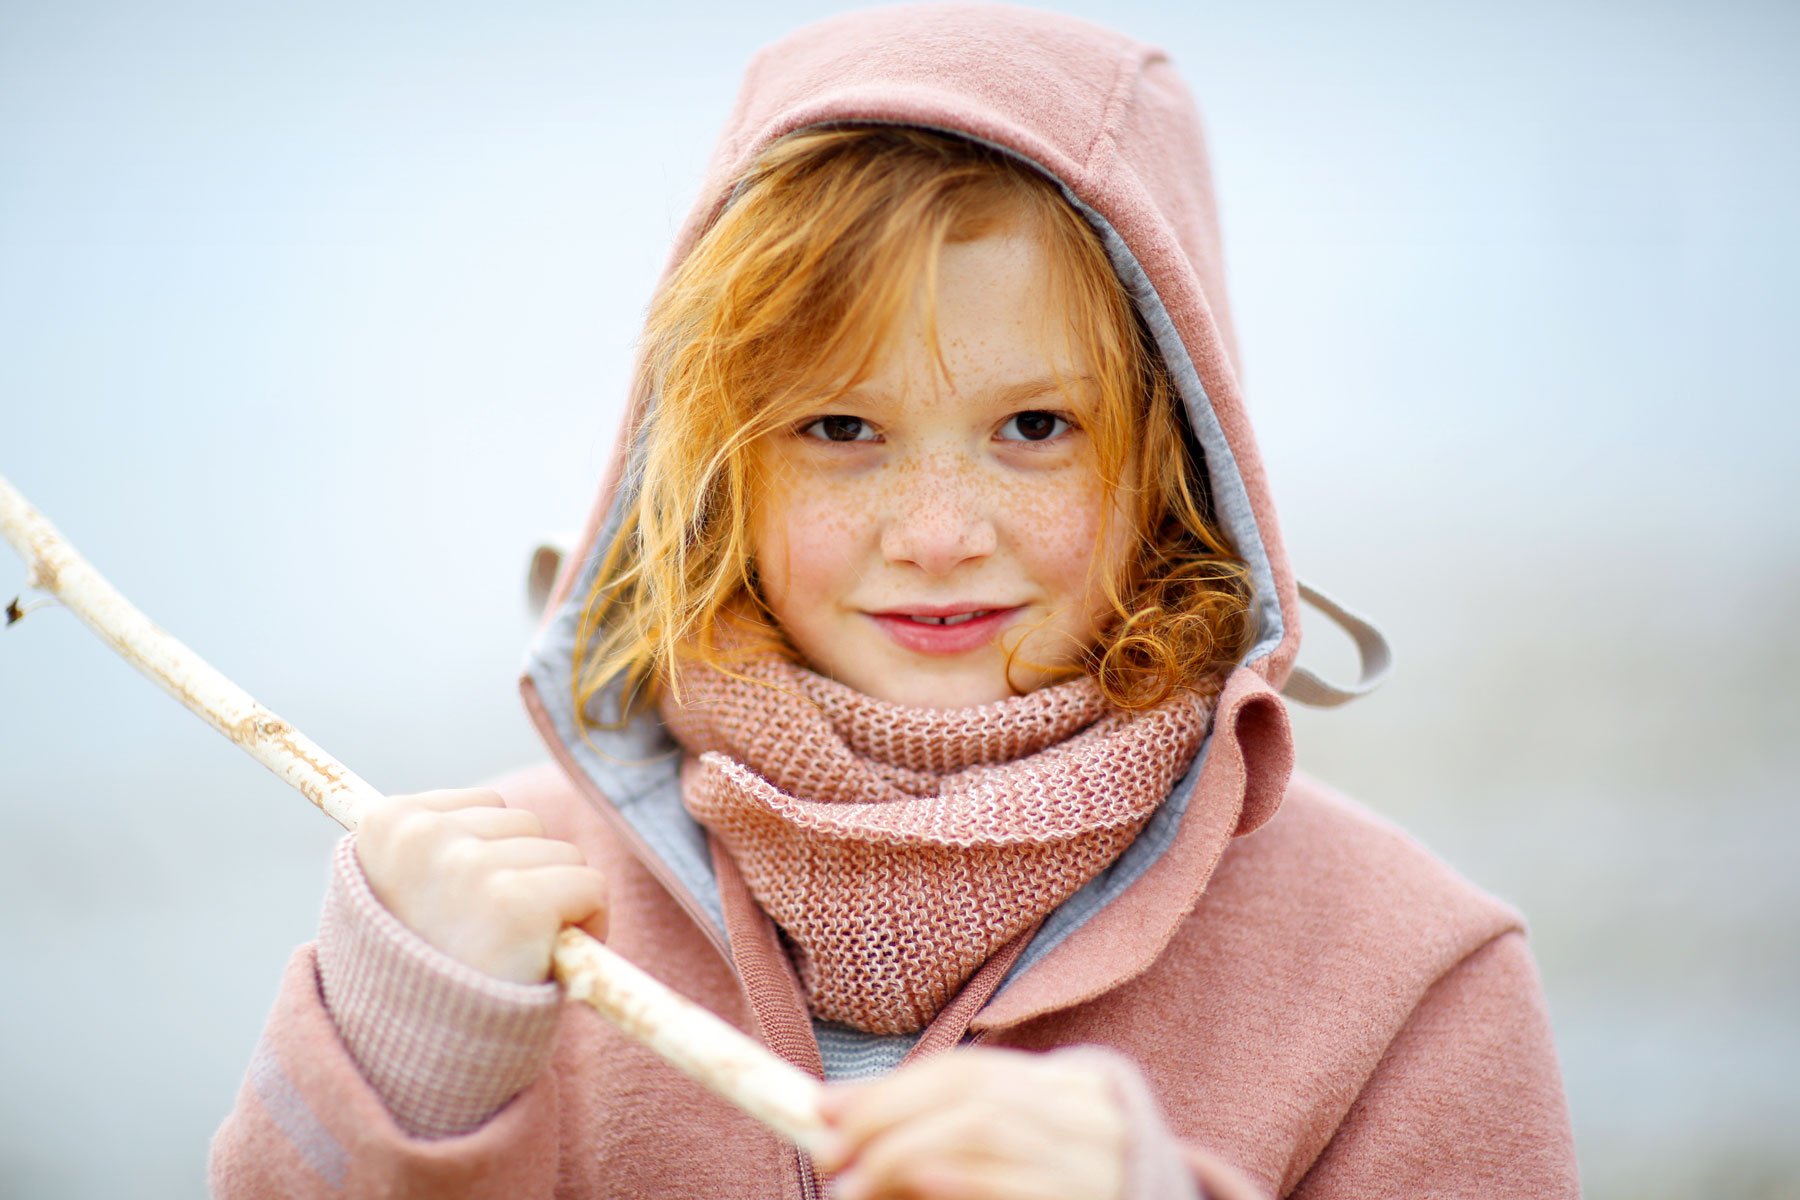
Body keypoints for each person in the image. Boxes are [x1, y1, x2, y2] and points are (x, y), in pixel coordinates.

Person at [210, 5, 1580, 1197]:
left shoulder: (1407, 976)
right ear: (704, 470)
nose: (937, 536)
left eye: (1036, 425)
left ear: (1182, 462)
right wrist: (412, 1072)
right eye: (839, 431)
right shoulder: (490, 922)